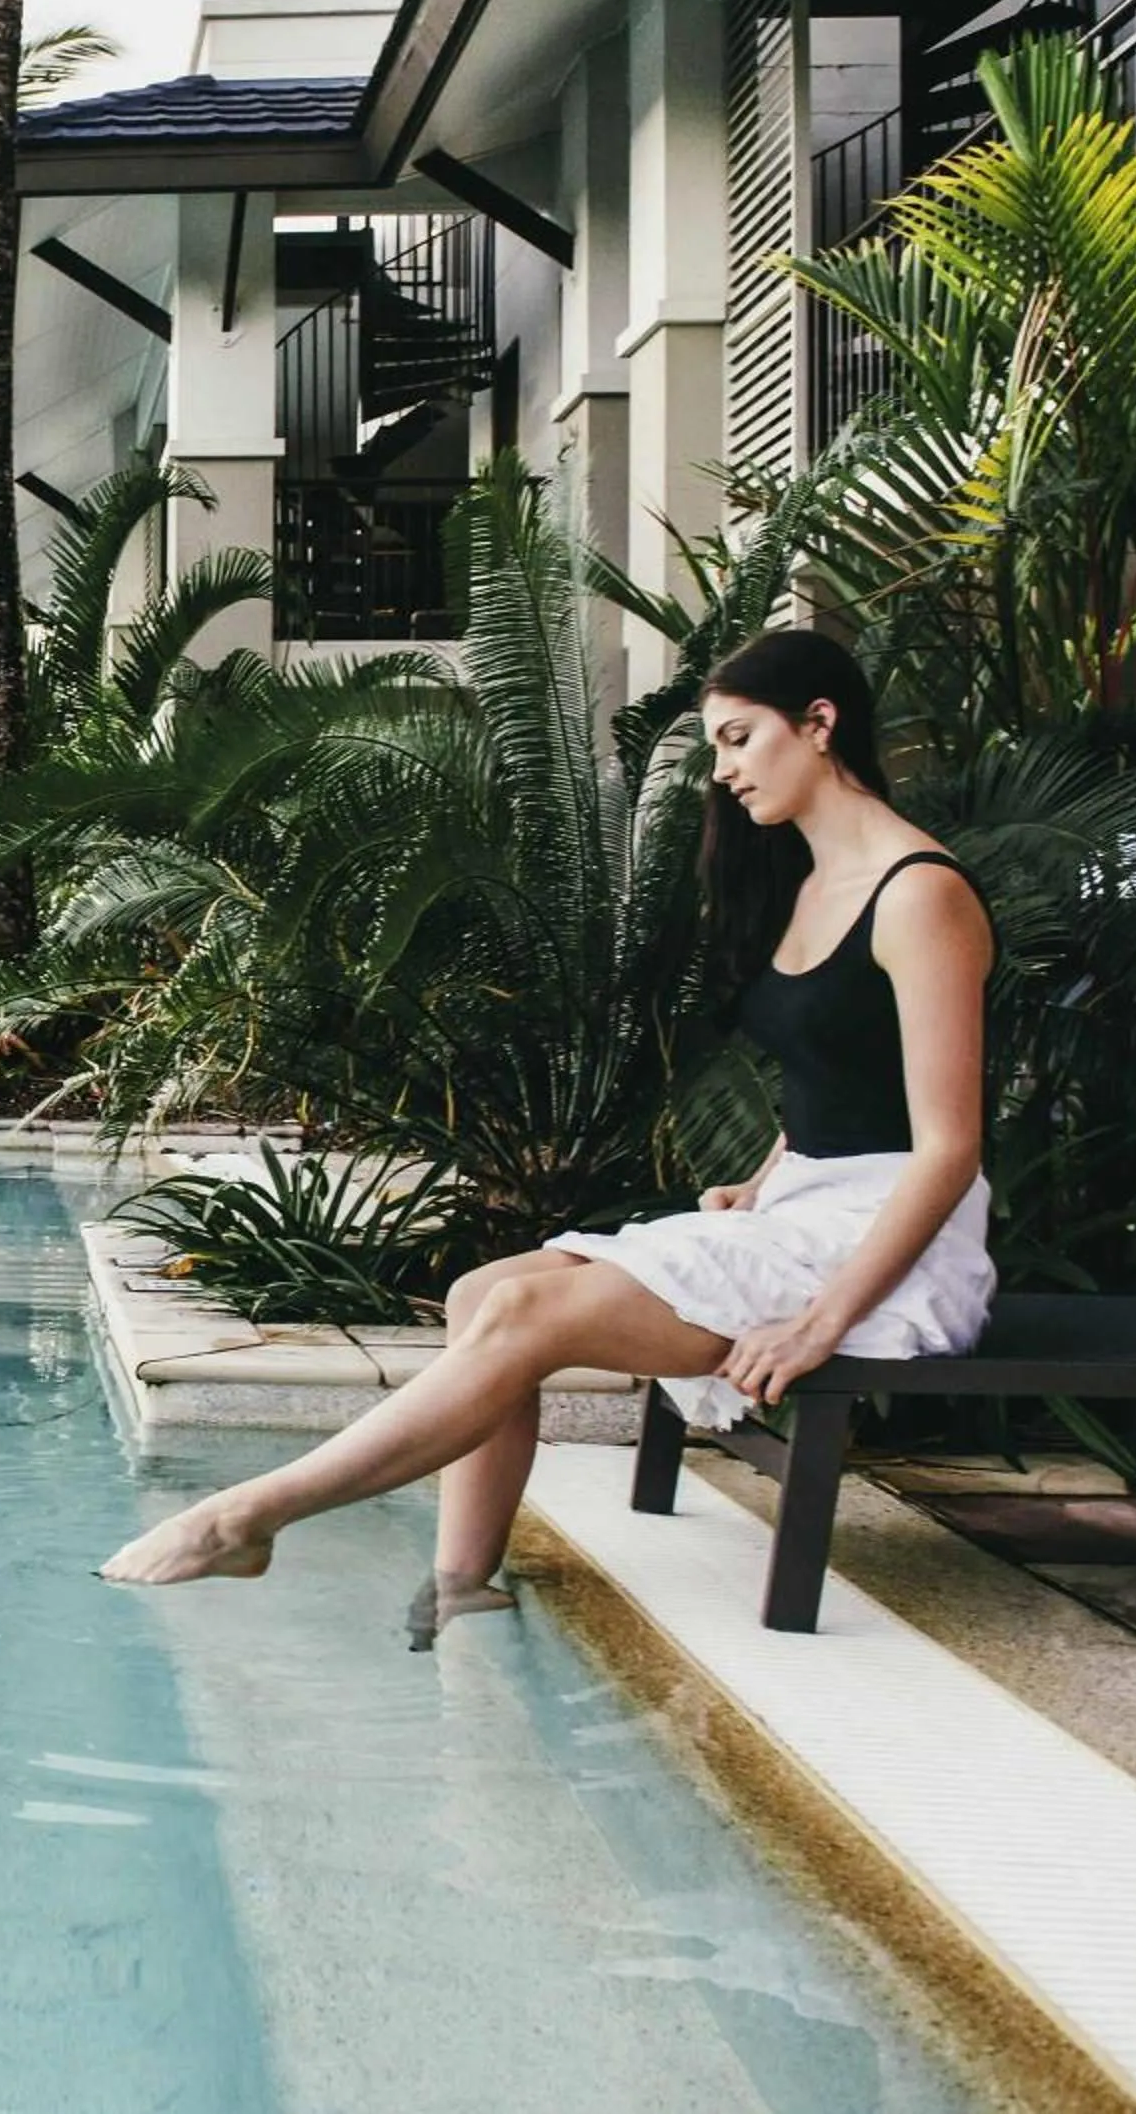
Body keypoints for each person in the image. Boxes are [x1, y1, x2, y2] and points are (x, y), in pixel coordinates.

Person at [100, 629, 998, 1604]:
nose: (726, 771)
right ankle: (459, 1584)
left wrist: (823, 1324)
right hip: (801, 1216)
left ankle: (249, 1516)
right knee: (482, 1293)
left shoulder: (923, 896)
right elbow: (841, 1080)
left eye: (741, 739)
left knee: (527, 1313)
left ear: (820, 722)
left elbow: (946, 1147)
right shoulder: (807, 886)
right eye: (718, 748)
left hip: (895, 1247)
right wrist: (767, 1176)